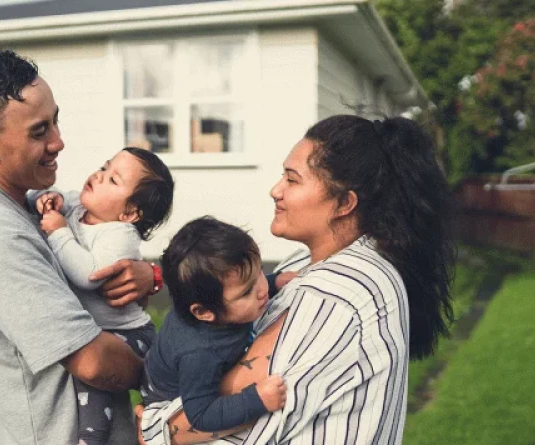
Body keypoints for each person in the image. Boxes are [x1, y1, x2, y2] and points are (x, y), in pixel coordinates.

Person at [140, 114, 455, 445]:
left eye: (292, 180)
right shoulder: (311, 262)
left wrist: (153, 428)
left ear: (344, 203)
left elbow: (254, 427)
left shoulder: (335, 296)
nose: (275, 190)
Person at [0, 49, 157, 445]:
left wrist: (149, 275)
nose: (59, 142)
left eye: (56, 121)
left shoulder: (32, 200)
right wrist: (178, 370)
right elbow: (93, 362)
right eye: (40, 132)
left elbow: (108, 238)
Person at [29, 147, 174, 445]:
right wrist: (46, 199)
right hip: (104, 330)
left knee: (97, 378)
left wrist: (59, 233)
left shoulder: (119, 235)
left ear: (130, 213)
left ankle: (99, 437)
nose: (98, 175)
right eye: (104, 167)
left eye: (113, 180)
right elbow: (36, 195)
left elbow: (88, 275)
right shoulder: (78, 207)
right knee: (94, 380)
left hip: (131, 333)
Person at [141, 217, 287, 435]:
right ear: (204, 312)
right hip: (173, 407)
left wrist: (276, 281)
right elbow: (200, 415)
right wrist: (257, 399)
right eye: (247, 291)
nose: (262, 289)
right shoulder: (200, 354)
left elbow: (249, 285)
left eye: (258, 272)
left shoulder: (218, 303)